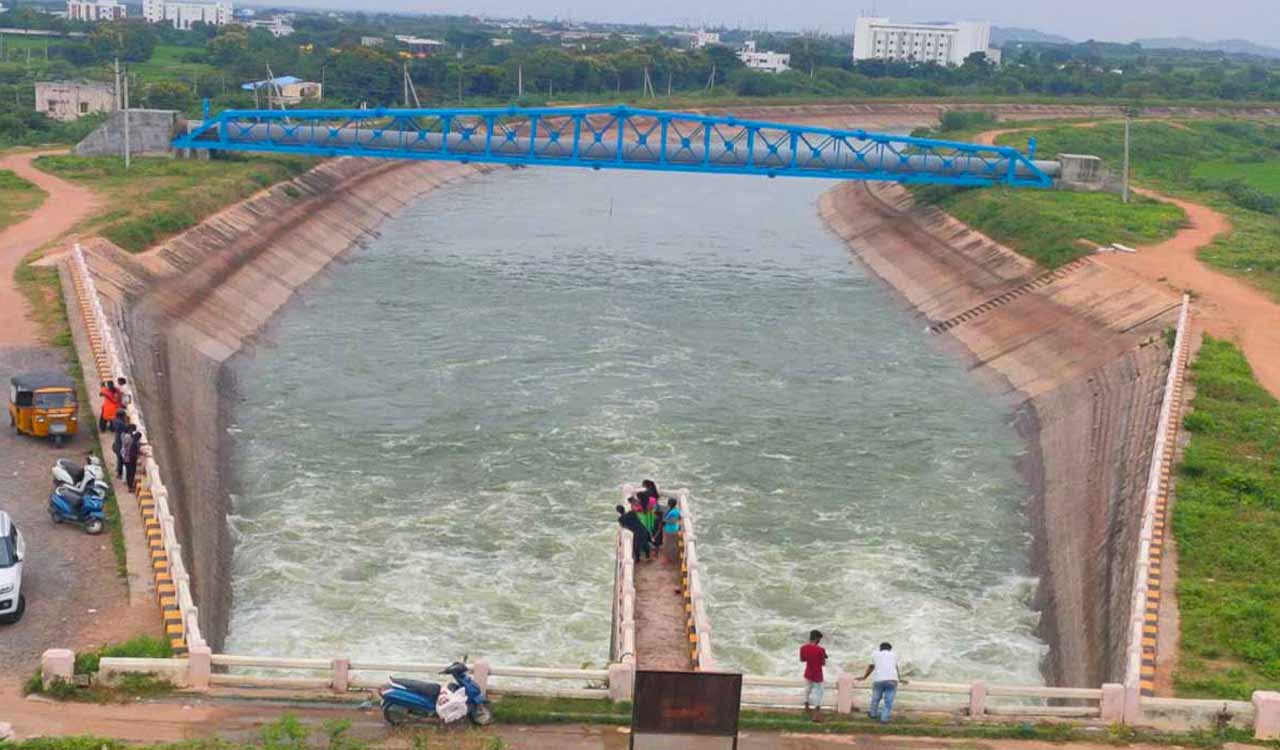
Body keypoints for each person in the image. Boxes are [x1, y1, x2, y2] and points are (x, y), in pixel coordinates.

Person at [860, 642, 902, 723]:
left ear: (880, 648)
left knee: (875, 698)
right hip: (892, 680)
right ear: (890, 649)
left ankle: (873, 714)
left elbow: (871, 667)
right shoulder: (894, 655)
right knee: (888, 701)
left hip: (879, 679)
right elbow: (895, 667)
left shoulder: (875, 654)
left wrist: (864, 677)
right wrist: (899, 679)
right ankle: (884, 719)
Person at [799, 629, 828, 720]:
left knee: (807, 689)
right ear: (817, 639)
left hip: (808, 672)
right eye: (819, 639)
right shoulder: (821, 650)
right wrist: (823, 656)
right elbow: (823, 663)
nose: (820, 641)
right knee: (819, 692)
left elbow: (802, 659)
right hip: (817, 674)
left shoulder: (803, 648)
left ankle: (806, 707)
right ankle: (816, 713)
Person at [661, 498, 681, 564]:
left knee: (669, 545)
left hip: (670, 531)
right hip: (674, 529)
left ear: (669, 504)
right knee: (672, 544)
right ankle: (672, 558)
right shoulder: (676, 510)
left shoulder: (673, 512)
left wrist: (664, 520)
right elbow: (678, 518)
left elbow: (672, 521)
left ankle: (670, 559)